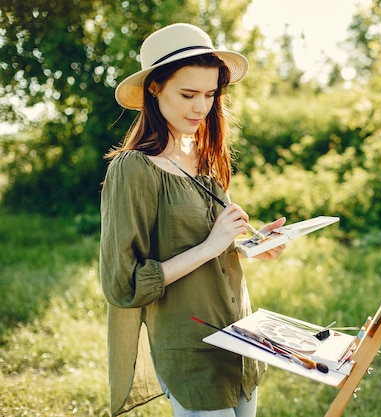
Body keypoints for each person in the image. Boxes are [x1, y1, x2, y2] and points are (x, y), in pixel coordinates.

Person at [99, 23, 286, 417]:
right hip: (190, 346)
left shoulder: (204, 159)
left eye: (209, 94)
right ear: (155, 88)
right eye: (188, 94)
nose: (200, 107)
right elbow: (123, 284)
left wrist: (253, 244)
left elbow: (217, 241)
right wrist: (211, 246)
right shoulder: (134, 169)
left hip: (241, 336)